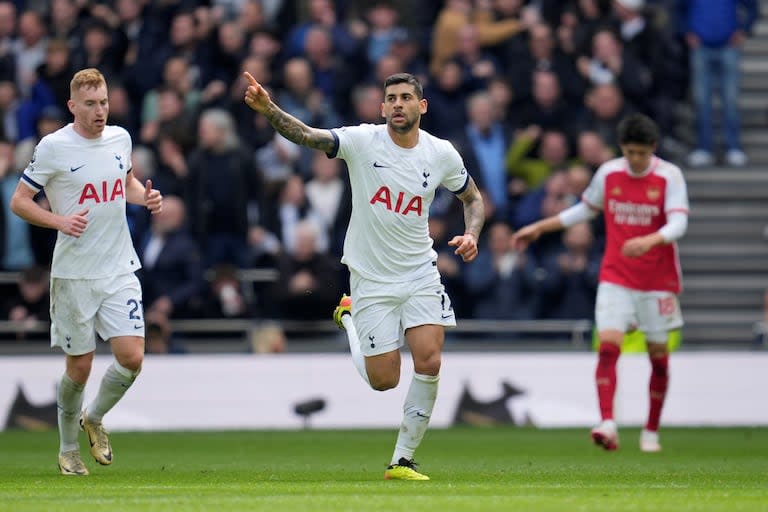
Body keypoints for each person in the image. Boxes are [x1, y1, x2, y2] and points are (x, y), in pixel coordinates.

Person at [244, 71, 484, 480]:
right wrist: (269, 109)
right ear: (382, 107)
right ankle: (350, 317)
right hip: (371, 278)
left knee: (429, 360)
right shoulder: (361, 141)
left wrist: (472, 233)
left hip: (419, 273)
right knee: (384, 380)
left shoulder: (441, 153)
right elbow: (306, 135)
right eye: (390, 98)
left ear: (421, 106)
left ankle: (402, 460)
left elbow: (472, 198)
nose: (397, 104)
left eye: (406, 97)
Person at [9, 68, 163, 475]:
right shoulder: (54, 146)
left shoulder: (120, 138)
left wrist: (144, 198)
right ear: (72, 106)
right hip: (74, 273)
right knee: (80, 367)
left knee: (132, 358)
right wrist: (60, 221)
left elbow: (124, 185)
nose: (100, 111)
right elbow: (20, 201)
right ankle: (67, 449)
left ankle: (92, 418)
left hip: (118, 266)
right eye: (91, 104)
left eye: (105, 102)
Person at [512, 114, 689, 453]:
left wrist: (650, 241)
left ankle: (651, 430)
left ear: (652, 148)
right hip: (616, 275)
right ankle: (607, 422)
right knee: (608, 347)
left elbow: (678, 223)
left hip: (656, 280)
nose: (636, 159)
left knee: (658, 358)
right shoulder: (609, 173)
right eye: (630, 152)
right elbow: (584, 210)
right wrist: (541, 227)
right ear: (622, 148)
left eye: (642, 153)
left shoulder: (669, 176)